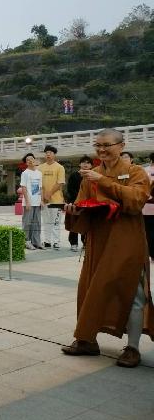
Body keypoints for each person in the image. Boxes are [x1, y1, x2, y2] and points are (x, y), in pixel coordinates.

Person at [62, 128, 153, 368]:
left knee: (133, 292)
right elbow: (83, 206)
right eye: (98, 146)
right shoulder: (90, 176)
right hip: (98, 241)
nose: (101, 150)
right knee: (90, 289)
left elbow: (136, 200)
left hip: (127, 241)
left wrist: (103, 181)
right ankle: (87, 340)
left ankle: (132, 348)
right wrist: (73, 211)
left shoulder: (136, 172)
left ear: (121, 146)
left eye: (107, 145)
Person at [38, 145, 66, 249]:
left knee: (56, 221)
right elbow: (39, 184)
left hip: (57, 200)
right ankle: (47, 241)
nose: (48, 154)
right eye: (46, 153)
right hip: (44, 200)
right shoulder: (40, 168)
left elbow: (60, 183)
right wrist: (43, 198)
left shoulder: (60, 167)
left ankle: (56, 241)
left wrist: (48, 194)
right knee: (46, 221)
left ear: (54, 155)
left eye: (50, 152)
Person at [66, 156, 93, 252]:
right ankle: (73, 243)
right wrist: (78, 199)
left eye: (88, 163)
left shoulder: (93, 176)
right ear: (79, 164)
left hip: (88, 204)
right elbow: (70, 189)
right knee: (74, 223)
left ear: (91, 165)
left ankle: (85, 243)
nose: (86, 164)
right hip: (75, 203)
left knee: (85, 223)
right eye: (83, 162)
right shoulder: (74, 175)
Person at [20, 153, 44, 250]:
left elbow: (41, 188)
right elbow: (24, 188)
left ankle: (36, 242)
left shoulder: (39, 173)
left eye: (31, 159)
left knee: (37, 223)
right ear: (26, 163)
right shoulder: (25, 173)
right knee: (27, 223)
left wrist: (41, 200)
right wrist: (27, 202)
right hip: (29, 202)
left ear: (35, 160)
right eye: (27, 160)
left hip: (37, 202)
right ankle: (26, 241)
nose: (30, 161)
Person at [143, 153, 154, 262]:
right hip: (148, 207)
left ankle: (152, 253)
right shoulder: (145, 171)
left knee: (149, 231)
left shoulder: (144, 171)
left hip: (147, 206)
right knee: (150, 232)